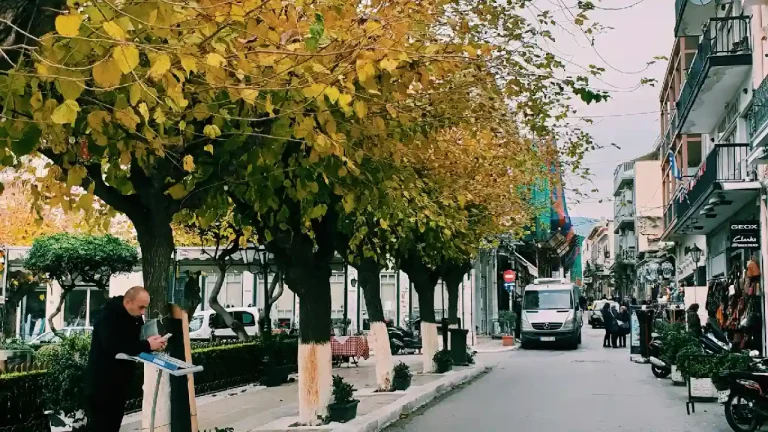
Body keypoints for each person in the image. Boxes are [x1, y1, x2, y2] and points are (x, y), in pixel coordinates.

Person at [85, 286, 167, 432]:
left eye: (145, 308)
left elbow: (137, 342)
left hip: (120, 381)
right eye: (140, 307)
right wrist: (148, 344)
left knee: (114, 425)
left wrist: (153, 343)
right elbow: (115, 345)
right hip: (102, 382)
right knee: (101, 426)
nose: (142, 312)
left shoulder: (134, 316)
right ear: (128, 302)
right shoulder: (107, 317)